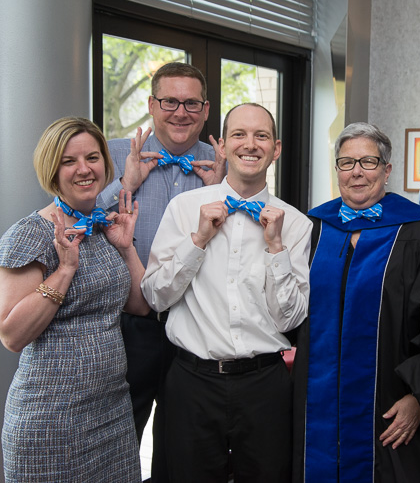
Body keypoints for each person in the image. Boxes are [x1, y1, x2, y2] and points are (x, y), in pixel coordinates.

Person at [292, 122, 420, 483]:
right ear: (337, 170)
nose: (356, 171)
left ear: (387, 170)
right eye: (346, 162)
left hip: (391, 412)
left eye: (369, 162)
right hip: (316, 415)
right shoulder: (311, 229)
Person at [141, 102, 311, 482]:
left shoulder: (297, 223)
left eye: (261, 136)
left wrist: (276, 249)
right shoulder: (184, 209)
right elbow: (156, 297)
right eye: (239, 134)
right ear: (221, 147)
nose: (250, 144)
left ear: (276, 148)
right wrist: (198, 239)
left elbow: (290, 317)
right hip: (192, 381)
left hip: (265, 384)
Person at [0, 117, 149, 482]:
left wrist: (126, 248)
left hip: (112, 413)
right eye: (69, 161)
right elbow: (12, 336)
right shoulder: (31, 234)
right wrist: (64, 270)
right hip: (51, 421)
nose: (84, 169)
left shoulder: (101, 226)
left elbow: (139, 306)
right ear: (53, 169)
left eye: (93, 158)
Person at [96, 61, 225, 481]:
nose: (180, 112)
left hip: (195, 324)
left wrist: (222, 189)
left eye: (191, 103)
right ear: (152, 104)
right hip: (130, 324)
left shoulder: (221, 162)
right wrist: (124, 185)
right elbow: (78, 223)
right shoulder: (114, 155)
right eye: (170, 101)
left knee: (183, 441)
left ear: (205, 110)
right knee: (121, 435)